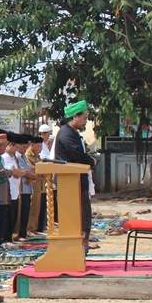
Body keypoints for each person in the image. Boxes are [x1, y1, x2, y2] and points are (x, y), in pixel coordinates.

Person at [54, 100, 97, 246]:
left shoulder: (73, 133)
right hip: (70, 180)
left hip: (77, 179)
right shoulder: (66, 133)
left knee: (84, 213)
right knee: (76, 216)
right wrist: (91, 161)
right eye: (84, 118)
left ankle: (82, 241)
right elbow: (77, 154)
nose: (85, 122)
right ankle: (75, 244)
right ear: (75, 116)